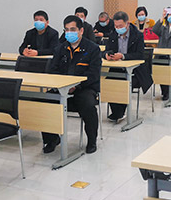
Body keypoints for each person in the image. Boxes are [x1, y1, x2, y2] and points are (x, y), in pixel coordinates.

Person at [43, 15, 101, 154]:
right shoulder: (60, 49)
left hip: (84, 88)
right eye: (67, 30)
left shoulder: (92, 49)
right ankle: (52, 139)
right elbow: (53, 70)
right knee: (45, 101)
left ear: (81, 30)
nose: (69, 33)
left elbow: (93, 74)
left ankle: (92, 140)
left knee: (88, 105)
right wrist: (63, 85)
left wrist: (76, 85)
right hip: (62, 88)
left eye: (73, 29)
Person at [104, 11, 152, 121]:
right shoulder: (113, 34)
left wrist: (123, 56)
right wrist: (106, 55)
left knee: (124, 84)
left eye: (120, 26)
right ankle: (117, 112)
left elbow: (140, 55)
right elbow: (105, 51)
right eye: (116, 26)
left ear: (127, 24)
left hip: (135, 71)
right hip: (117, 69)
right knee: (109, 83)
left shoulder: (138, 35)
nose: (118, 28)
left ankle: (119, 112)